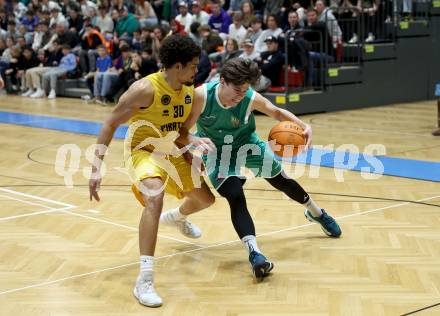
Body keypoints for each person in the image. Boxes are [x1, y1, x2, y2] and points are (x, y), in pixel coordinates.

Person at [174, 58, 341, 280]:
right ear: (222, 81)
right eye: (237, 90)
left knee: (282, 181)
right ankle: (255, 254)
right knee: (235, 195)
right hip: (216, 150)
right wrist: (194, 140)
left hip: (247, 143)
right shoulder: (201, 96)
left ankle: (317, 213)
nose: (240, 96)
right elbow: (181, 130)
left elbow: (277, 112)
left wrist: (304, 126)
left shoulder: (249, 96)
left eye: (244, 91)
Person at [88, 34, 216, 308]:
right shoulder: (145, 89)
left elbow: (179, 131)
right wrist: (96, 168)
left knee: (206, 199)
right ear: (177, 66)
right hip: (142, 151)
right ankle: (144, 278)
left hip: (171, 151)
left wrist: (192, 145)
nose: (197, 70)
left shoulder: (188, 91)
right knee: (154, 197)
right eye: (193, 65)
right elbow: (110, 122)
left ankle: (177, 217)